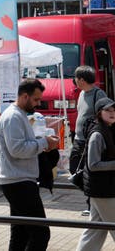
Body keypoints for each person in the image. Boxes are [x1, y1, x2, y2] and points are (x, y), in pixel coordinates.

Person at [0, 78, 59, 251]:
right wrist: (44, 143)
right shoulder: (14, 116)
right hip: (18, 181)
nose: (38, 103)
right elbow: (17, 149)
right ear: (25, 96)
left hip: (18, 179)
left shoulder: (18, 115)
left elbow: (21, 146)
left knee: (21, 234)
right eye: (36, 99)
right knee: (40, 233)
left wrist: (42, 143)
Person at [76, 97, 115, 251]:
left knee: (94, 232)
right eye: (108, 110)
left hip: (102, 189)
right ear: (99, 113)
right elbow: (93, 165)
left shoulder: (108, 129)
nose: (112, 113)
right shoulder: (97, 134)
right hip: (103, 190)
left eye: (114, 110)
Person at [70, 65, 108, 174]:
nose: (74, 80)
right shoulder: (82, 93)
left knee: (87, 171)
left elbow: (106, 117)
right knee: (74, 169)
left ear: (82, 80)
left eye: (75, 78)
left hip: (90, 140)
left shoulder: (99, 94)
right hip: (78, 139)